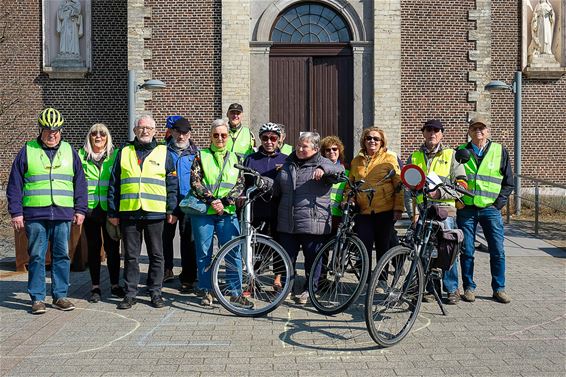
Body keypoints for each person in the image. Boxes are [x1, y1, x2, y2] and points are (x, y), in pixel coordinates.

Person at [7, 107, 88, 314]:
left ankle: (60, 296)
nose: (52, 134)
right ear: (41, 130)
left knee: (62, 255)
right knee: (36, 256)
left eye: (56, 131)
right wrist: (16, 212)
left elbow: (80, 182)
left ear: (61, 130)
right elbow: (15, 184)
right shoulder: (27, 150)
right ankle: (37, 298)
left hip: (62, 214)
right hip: (35, 214)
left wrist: (80, 209)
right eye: (48, 130)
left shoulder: (70, 151)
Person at [107, 115, 178, 310]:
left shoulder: (165, 152)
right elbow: (114, 184)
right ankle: (130, 294)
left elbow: (172, 184)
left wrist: (172, 209)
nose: (145, 131)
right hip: (129, 212)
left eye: (148, 128)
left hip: (155, 213)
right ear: (135, 131)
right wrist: (112, 211)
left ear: (155, 131)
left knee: (157, 254)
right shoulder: (124, 152)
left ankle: (155, 292)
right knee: (131, 255)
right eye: (141, 128)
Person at [273, 132, 344, 305]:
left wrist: (324, 169)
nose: (300, 148)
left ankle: (309, 289)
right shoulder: (288, 163)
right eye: (299, 145)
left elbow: (339, 170)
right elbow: (277, 188)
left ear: (315, 148)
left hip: (313, 220)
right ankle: (286, 288)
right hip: (288, 220)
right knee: (287, 257)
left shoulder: (323, 163)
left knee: (313, 258)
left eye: (305, 146)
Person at [190, 119, 251, 308]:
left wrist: (224, 202)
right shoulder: (201, 155)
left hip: (228, 211)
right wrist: (212, 200)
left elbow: (240, 184)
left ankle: (235, 292)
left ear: (228, 137)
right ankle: (207, 291)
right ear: (210, 136)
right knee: (204, 253)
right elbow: (195, 181)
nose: (220, 138)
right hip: (204, 212)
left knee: (232, 252)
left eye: (223, 135)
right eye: (215, 135)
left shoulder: (236, 158)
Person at [407, 119, 467, 305]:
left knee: (447, 250)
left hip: (445, 211)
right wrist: (413, 214)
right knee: (425, 252)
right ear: (423, 133)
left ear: (442, 134)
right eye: (429, 130)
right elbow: (407, 188)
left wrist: (439, 192)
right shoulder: (415, 156)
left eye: (436, 130)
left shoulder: (452, 155)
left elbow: (462, 185)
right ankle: (431, 289)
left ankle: (451, 289)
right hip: (423, 211)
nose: (432, 133)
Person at [456, 116, 514, 304]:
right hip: (467, 209)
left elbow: (508, 182)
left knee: (497, 250)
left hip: (490, 209)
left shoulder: (499, 150)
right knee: (467, 250)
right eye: (474, 128)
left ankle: (499, 288)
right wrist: (458, 200)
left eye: (482, 128)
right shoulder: (460, 151)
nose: (478, 131)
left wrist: (498, 204)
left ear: (488, 130)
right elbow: (453, 179)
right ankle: (469, 288)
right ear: (469, 131)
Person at [345, 127, 403, 281]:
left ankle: (382, 279)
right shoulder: (356, 160)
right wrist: (349, 199)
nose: (372, 141)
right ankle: (364, 279)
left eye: (376, 139)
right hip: (363, 211)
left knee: (383, 246)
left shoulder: (389, 159)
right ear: (364, 141)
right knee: (363, 246)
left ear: (382, 142)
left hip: (384, 209)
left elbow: (398, 185)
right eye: (369, 138)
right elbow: (350, 184)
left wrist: (398, 208)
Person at [78, 123, 124, 303]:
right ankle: (95, 286)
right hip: (90, 209)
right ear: (89, 137)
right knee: (93, 248)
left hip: (110, 209)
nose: (98, 137)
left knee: (113, 248)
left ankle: (114, 284)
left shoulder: (115, 155)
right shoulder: (81, 155)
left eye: (102, 134)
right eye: (94, 134)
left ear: (108, 137)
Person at [243, 122, 288, 289]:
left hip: (278, 209)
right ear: (261, 139)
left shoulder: (285, 160)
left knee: (279, 243)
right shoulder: (251, 159)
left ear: (279, 140)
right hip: (257, 209)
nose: (269, 141)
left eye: (273, 138)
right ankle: (253, 278)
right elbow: (244, 184)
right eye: (265, 138)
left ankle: (278, 278)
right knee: (256, 245)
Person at [162, 117, 198, 292]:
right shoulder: (162, 151)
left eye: (185, 133)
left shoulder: (196, 153)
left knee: (188, 241)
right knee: (164, 239)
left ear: (189, 134)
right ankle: (166, 270)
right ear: (172, 132)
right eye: (178, 132)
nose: (181, 136)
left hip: (188, 203)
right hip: (166, 203)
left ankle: (188, 277)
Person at [320, 135, 348, 233]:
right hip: (322, 214)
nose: (331, 152)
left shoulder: (347, 172)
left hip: (338, 215)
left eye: (334, 149)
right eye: (328, 150)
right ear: (324, 153)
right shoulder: (319, 170)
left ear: (339, 151)